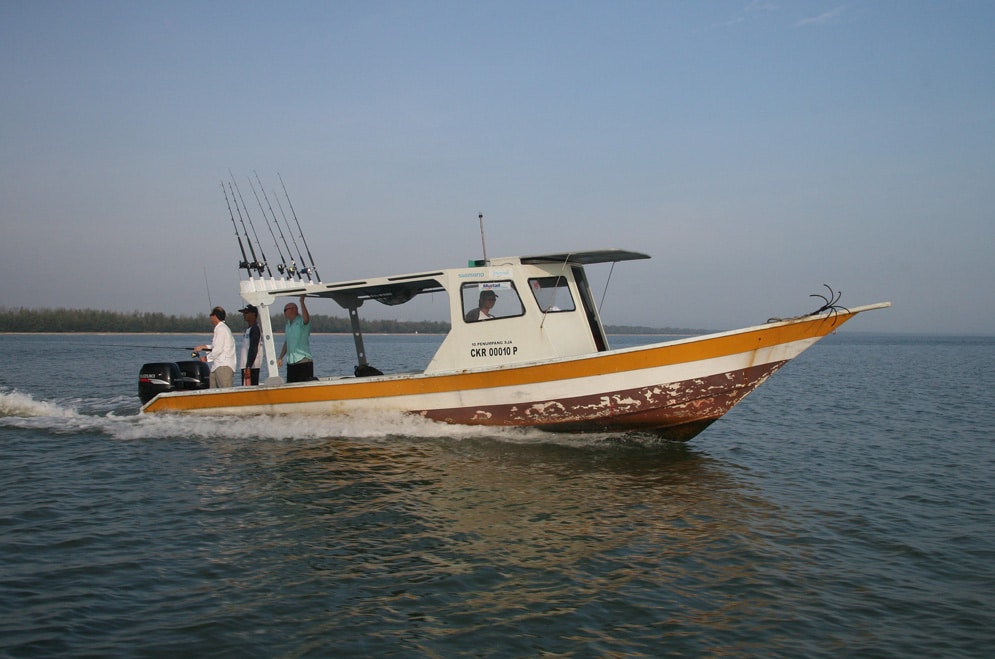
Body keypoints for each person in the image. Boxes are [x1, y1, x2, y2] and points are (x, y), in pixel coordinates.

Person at [194, 306, 237, 388]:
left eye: (211, 315)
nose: (210, 317)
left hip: (223, 366)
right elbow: (217, 346)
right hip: (216, 366)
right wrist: (203, 347)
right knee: (213, 393)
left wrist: (206, 358)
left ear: (215, 316)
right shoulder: (220, 328)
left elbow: (218, 349)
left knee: (225, 394)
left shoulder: (221, 329)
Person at [278, 295, 314, 382]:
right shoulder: (288, 325)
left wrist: (302, 302)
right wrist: (280, 357)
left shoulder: (301, 321)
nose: (284, 312)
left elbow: (306, 319)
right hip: (291, 362)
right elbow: (287, 343)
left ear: (294, 309)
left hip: (303, 361)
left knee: (304, 389)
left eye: (285, 310)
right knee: (291, 387)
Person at [239, 304, 262, 386]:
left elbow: (253, 348)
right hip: (246, 366)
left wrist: (248, 366)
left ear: (253, 314)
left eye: (246, 313)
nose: (244, 315)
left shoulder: (255, 329)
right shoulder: (249, 329)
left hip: (252, 367)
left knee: (249, 390)